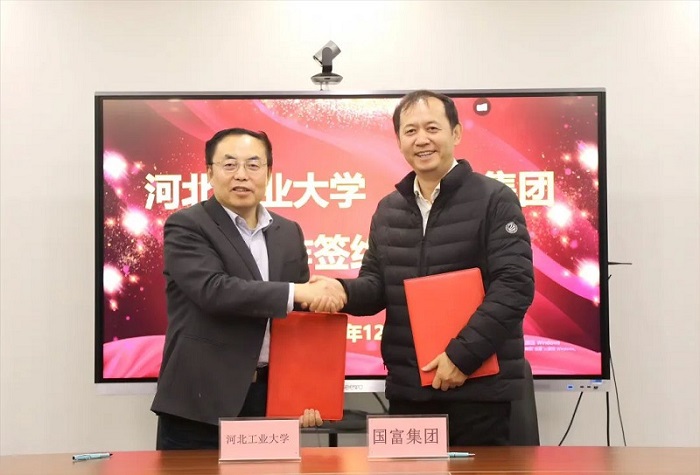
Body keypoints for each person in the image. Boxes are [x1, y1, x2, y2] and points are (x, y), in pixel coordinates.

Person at [312, 90, 535, 446]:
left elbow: (514, 286)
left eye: (432, 128)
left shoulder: (495, 199)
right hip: (409, 390)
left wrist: (461, 357)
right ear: (399, 140)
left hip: (479, 391)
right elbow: (377, 286)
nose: (422, 139)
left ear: (456, 133)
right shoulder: (389, 209)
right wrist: (340, 290)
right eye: (410, 130)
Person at [151, 127, 343, 450]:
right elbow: (214, 290)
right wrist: (297, 292)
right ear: (209, 173)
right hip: (200, 404)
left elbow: (299, 321)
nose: (241, 174)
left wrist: (307, 391)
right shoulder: (187, 225)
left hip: (270, 400)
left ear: (269, 173)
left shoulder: (288, 232)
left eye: (253, 165)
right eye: (229, 164)